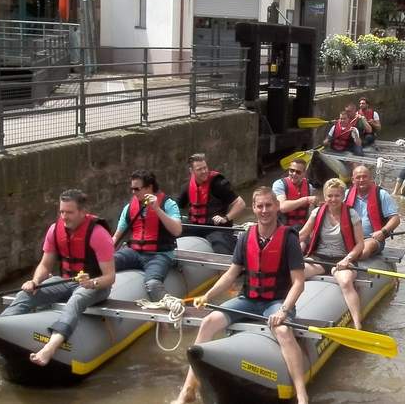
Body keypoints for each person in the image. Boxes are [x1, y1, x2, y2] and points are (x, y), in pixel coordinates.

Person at [173, 187, 308, 404]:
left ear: (276, 207)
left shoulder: (289, 238)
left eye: (269, 205)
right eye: (260, 206)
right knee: (208, 321)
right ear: (253, 208)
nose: (264, 210)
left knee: (283, 331)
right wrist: (208, 296)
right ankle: (188, 390)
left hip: (277, 302)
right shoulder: (246, 237)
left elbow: (299, 283)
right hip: (249, 299)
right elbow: (231, 274)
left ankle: (302, 395)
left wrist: (284, 310)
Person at [0, 189, 115, 366]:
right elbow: (45, 265)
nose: (64, 217)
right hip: (66, 280)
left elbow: (110, 277)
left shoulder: (98, 234)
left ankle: (50, 347)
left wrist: (92, 282)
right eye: (61, 211)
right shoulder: (54, 230)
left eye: (70, 212)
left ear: (83, 212)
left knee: (77, 298)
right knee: (27, 294)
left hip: (96, 286)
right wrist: (35, 282)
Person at [299, 178, 365, 329]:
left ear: (342, 196)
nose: (333, 199)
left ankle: (357, 323)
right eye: (329, 196)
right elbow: (302, 235)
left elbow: (360, 244)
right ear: (324, 196)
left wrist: (347, 259)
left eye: (337, 196)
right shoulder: (317, 212)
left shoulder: (352, 214)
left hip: (343, 258)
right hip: (319, 258)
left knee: (346, 281)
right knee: (295, 273)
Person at [112, 170, 182, 301]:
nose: (133, 192)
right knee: (104, 265)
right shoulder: (129, 207)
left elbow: (177, 231)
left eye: (137, 189)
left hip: (159, 254)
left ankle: (165, 317)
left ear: (149, 187)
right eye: (132, 189)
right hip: (133, 252)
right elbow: (116, 236)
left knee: (152, 284)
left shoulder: (168, 204)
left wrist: (157, 209)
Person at [177, 153, 247, 254]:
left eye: (205, 167)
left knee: (221, 249)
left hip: (217, 228)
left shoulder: (218, 183)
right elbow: (175, 206)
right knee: (172, 233)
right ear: (191, 171)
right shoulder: (187, 186)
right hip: (196, 226)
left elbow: (240, 204)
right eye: (199, 169)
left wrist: (226, 218)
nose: (204, 171)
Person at [345, 166, 401, 258]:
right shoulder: (346, 194)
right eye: (358, 177)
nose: (361, 180)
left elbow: (395, 219)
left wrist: (383, 232)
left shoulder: (382, 194)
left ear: (371, 178)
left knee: (364, 250)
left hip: (372, 239)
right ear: (353, 180)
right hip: (350, 238)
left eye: (364, 176)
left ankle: (349, 263)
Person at [272, 158, 317, 230]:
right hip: (282, 226)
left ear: (304, 173)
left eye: (298, 172)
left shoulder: (309, 187)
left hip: (302, 227)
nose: (294, 174)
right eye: (291, 170)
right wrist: (306, 199)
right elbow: (282, 207)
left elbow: (311, 210)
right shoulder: (279, 184)